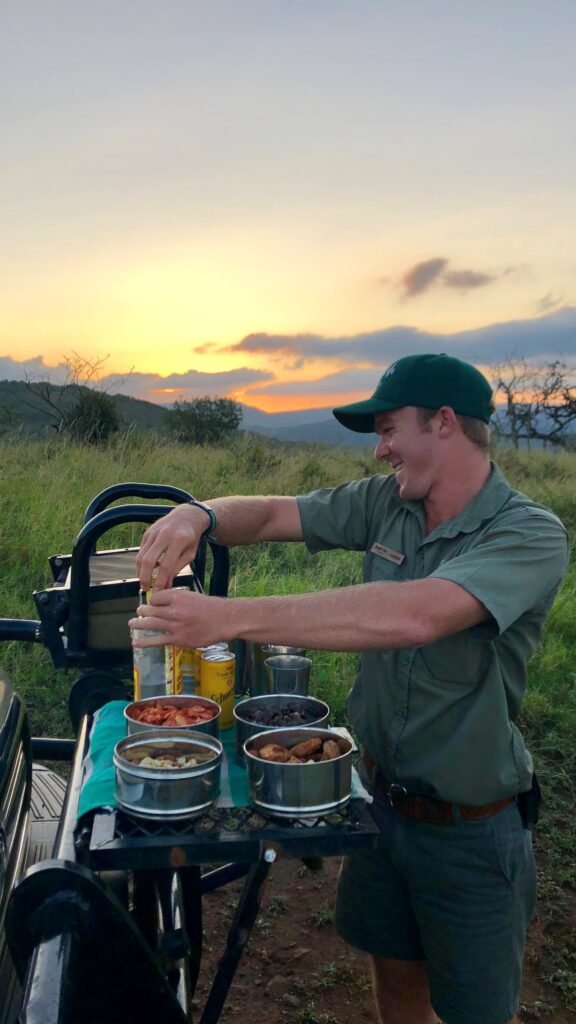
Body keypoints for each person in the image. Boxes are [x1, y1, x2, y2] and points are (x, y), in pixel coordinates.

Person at [131, 352, 568, 1024]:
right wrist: (198, 517)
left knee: (477, 1014)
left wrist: (228, 618)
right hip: (379, 806)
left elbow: (416, 614)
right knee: (395, 984)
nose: (382, 450)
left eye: (390, 430)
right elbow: (275, 513)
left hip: (471, 828)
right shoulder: (387, 504)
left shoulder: (529, 532)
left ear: (444, 423)